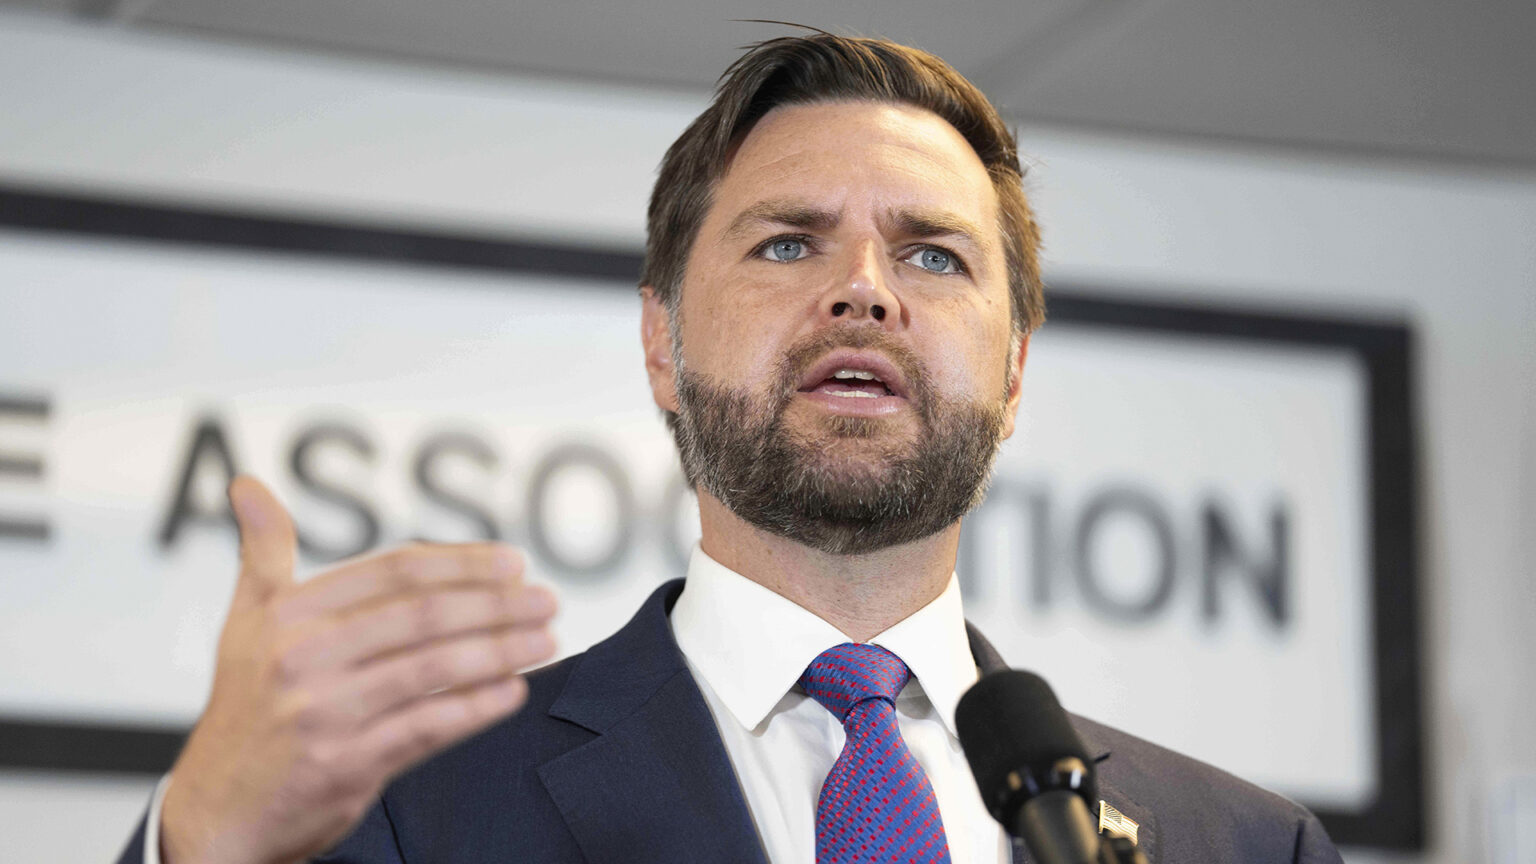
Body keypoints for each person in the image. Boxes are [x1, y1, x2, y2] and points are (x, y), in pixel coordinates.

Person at [116, 33, 1343, 864]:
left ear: (1014, 370)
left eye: (933, 255)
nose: (865, 292)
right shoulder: (421, 808)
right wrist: (201, 840)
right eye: (787, 243)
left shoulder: (1239, 845)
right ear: (663, 342)